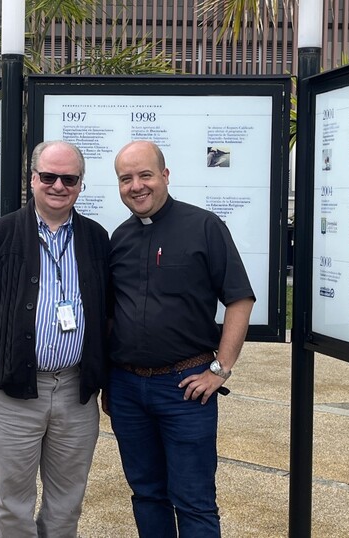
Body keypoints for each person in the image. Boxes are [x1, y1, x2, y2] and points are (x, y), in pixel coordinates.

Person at [0, 140, 110, 537]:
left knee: (67, 500)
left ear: (80, 184)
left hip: (77, 393)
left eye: (69, 178)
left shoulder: (96, 239)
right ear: (33, 180)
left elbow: (107, 308)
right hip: (15, 393)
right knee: (13, 502)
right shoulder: (0, 234)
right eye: (49, 176)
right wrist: (8, 344)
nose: (58, 185)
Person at [107, 140, 255, 537]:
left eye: (145, 175)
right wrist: (108, 383)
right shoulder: (118, 239)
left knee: (194, 500)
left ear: (165, 176)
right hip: (126, 388)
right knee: (146, 494)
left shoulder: (204, 226)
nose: (137, 186)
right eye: (126, 178)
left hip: (185, 389)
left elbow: (240, 299)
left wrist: (220, 369)